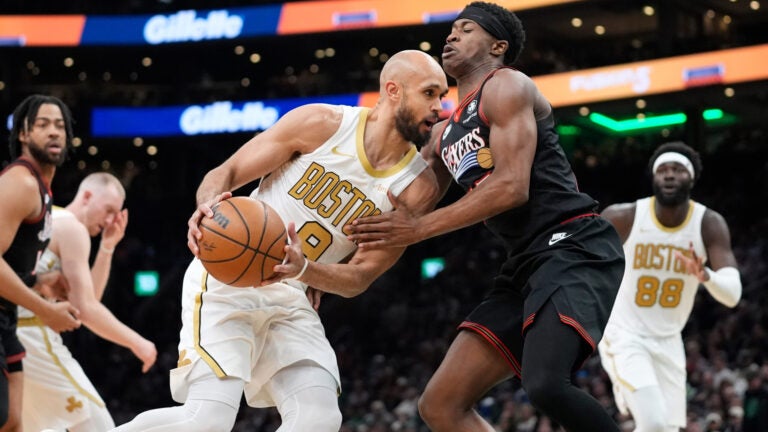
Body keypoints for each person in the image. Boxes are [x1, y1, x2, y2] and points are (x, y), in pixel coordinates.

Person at [111, 49, 448, 432]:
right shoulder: (322, 123)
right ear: (393, 91)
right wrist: (207, 208)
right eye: (430, 93)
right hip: (230, 279)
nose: (441, 106)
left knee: (318, 418)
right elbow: (227, 171)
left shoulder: (415, 188)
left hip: (293, 296)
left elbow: (360, 277)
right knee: (206, 419)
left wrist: (307, 270)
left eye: (442, 95)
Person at [346, 3, 625, 431]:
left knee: (547, 384)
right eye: (451, 29)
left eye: (466, 29)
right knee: (440, 404)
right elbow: (404, 206)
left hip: (572, 244)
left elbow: (513, 187)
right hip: (523, 265)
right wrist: (326, 266)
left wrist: (418, 229)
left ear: (498, 46)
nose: (451, 36)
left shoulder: (507, 86)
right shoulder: (441, 132)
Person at [597, 141, 742, 432]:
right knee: (653, 423)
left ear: (691, 177)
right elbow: (583, 264)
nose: (670, 175)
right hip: (625, 334)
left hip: (669, 340)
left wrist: (706, 277)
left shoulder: (708, 224)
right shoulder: (624, 217)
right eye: (663, 169)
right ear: (653, 177)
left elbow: (733, 295)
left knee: (667, 430)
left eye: (677, 169)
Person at [17, 172, 158, 431]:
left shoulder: (53, 219)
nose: (110, 220)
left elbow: (86, 299)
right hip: (31, 335)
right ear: (87, 196)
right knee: (97, 424)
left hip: (14, 339)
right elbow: (85, 309)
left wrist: (107, 247)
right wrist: (137, 342)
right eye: (108, 210)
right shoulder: (72, 227)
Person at [0, 94, 82, 430]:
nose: (54, 133)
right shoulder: (20, 182)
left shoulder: (40, 187)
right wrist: (44, 309)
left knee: (13, 423)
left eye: (60, 126)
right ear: (23, 134)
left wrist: (38, 282)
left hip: (5, 317)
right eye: (43, 125)